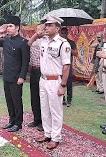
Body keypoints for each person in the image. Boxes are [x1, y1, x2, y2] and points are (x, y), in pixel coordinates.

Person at [28, 16, 71, 150]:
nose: (46, 27)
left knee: (55, 110)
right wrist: (37, 33)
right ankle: (47, 133)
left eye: (49, 25)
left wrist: (63, 85)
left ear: (57, 28)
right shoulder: (43, 41)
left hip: (55, 81)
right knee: (44, 108)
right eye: (45, 25)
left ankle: (56, 137)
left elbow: (66, 66)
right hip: (43, 79)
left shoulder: (63, 44)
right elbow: (29, 43)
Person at [0, 16, 30, 132]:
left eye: (10, 26)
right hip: (7, 76)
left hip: (16, 77)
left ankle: (18, 123)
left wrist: (22, 77)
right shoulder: (6, 40)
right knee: (9, 100)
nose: (8, 28)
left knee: (16, 101)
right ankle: (11, 120)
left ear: (17, 27)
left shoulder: (23, 42)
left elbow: (25, 62)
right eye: (7, 26)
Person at [27, 21, 44, 132]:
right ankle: (36, 119)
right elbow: (29, 43)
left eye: (41, 29)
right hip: (33, 71)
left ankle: (44, 121)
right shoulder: (34, 40)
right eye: (37, 29)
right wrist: (36, 35)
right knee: (34, 97)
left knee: (42, 97)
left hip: (42, 72)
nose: (39, 31)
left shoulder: (46, 41)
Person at [60, 27, 78, 107]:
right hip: (59, 66)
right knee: (59, 82)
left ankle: (69, 100)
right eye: (62, 33)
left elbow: (76, 53)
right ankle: (62, 99)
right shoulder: (58, 43)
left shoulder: (71, 42)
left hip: (68, 66)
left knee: (69, 83)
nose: (63, 35)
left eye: (64, 33)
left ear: (67, 33)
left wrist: (68, 48)